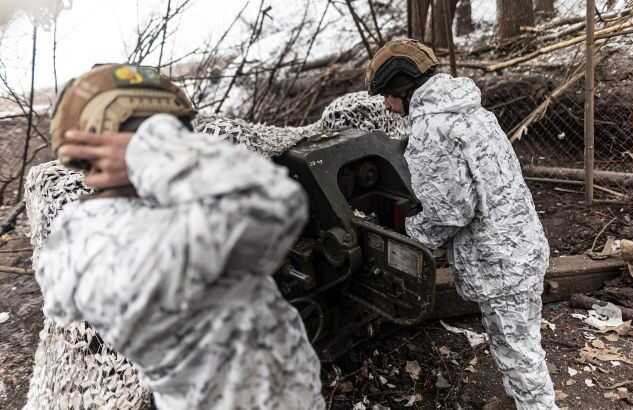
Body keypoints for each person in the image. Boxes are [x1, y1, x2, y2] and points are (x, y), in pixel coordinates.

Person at [35, 64, 325, 409]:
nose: (186, 141)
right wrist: (149, 147)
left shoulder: (82, 233)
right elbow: (276, 203)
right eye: (173, 133)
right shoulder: (128, 242)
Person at [366, 39, 557, 410]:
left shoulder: (431, 128)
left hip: (498, 263)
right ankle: (520, 397)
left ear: (405, 86)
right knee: (522, 338)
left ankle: (536, 404)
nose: (387, 104)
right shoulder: (469, 108)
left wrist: (405, 235)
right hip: (523, 244)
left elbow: (450, 213)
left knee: (519, 353)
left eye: (388, 95)